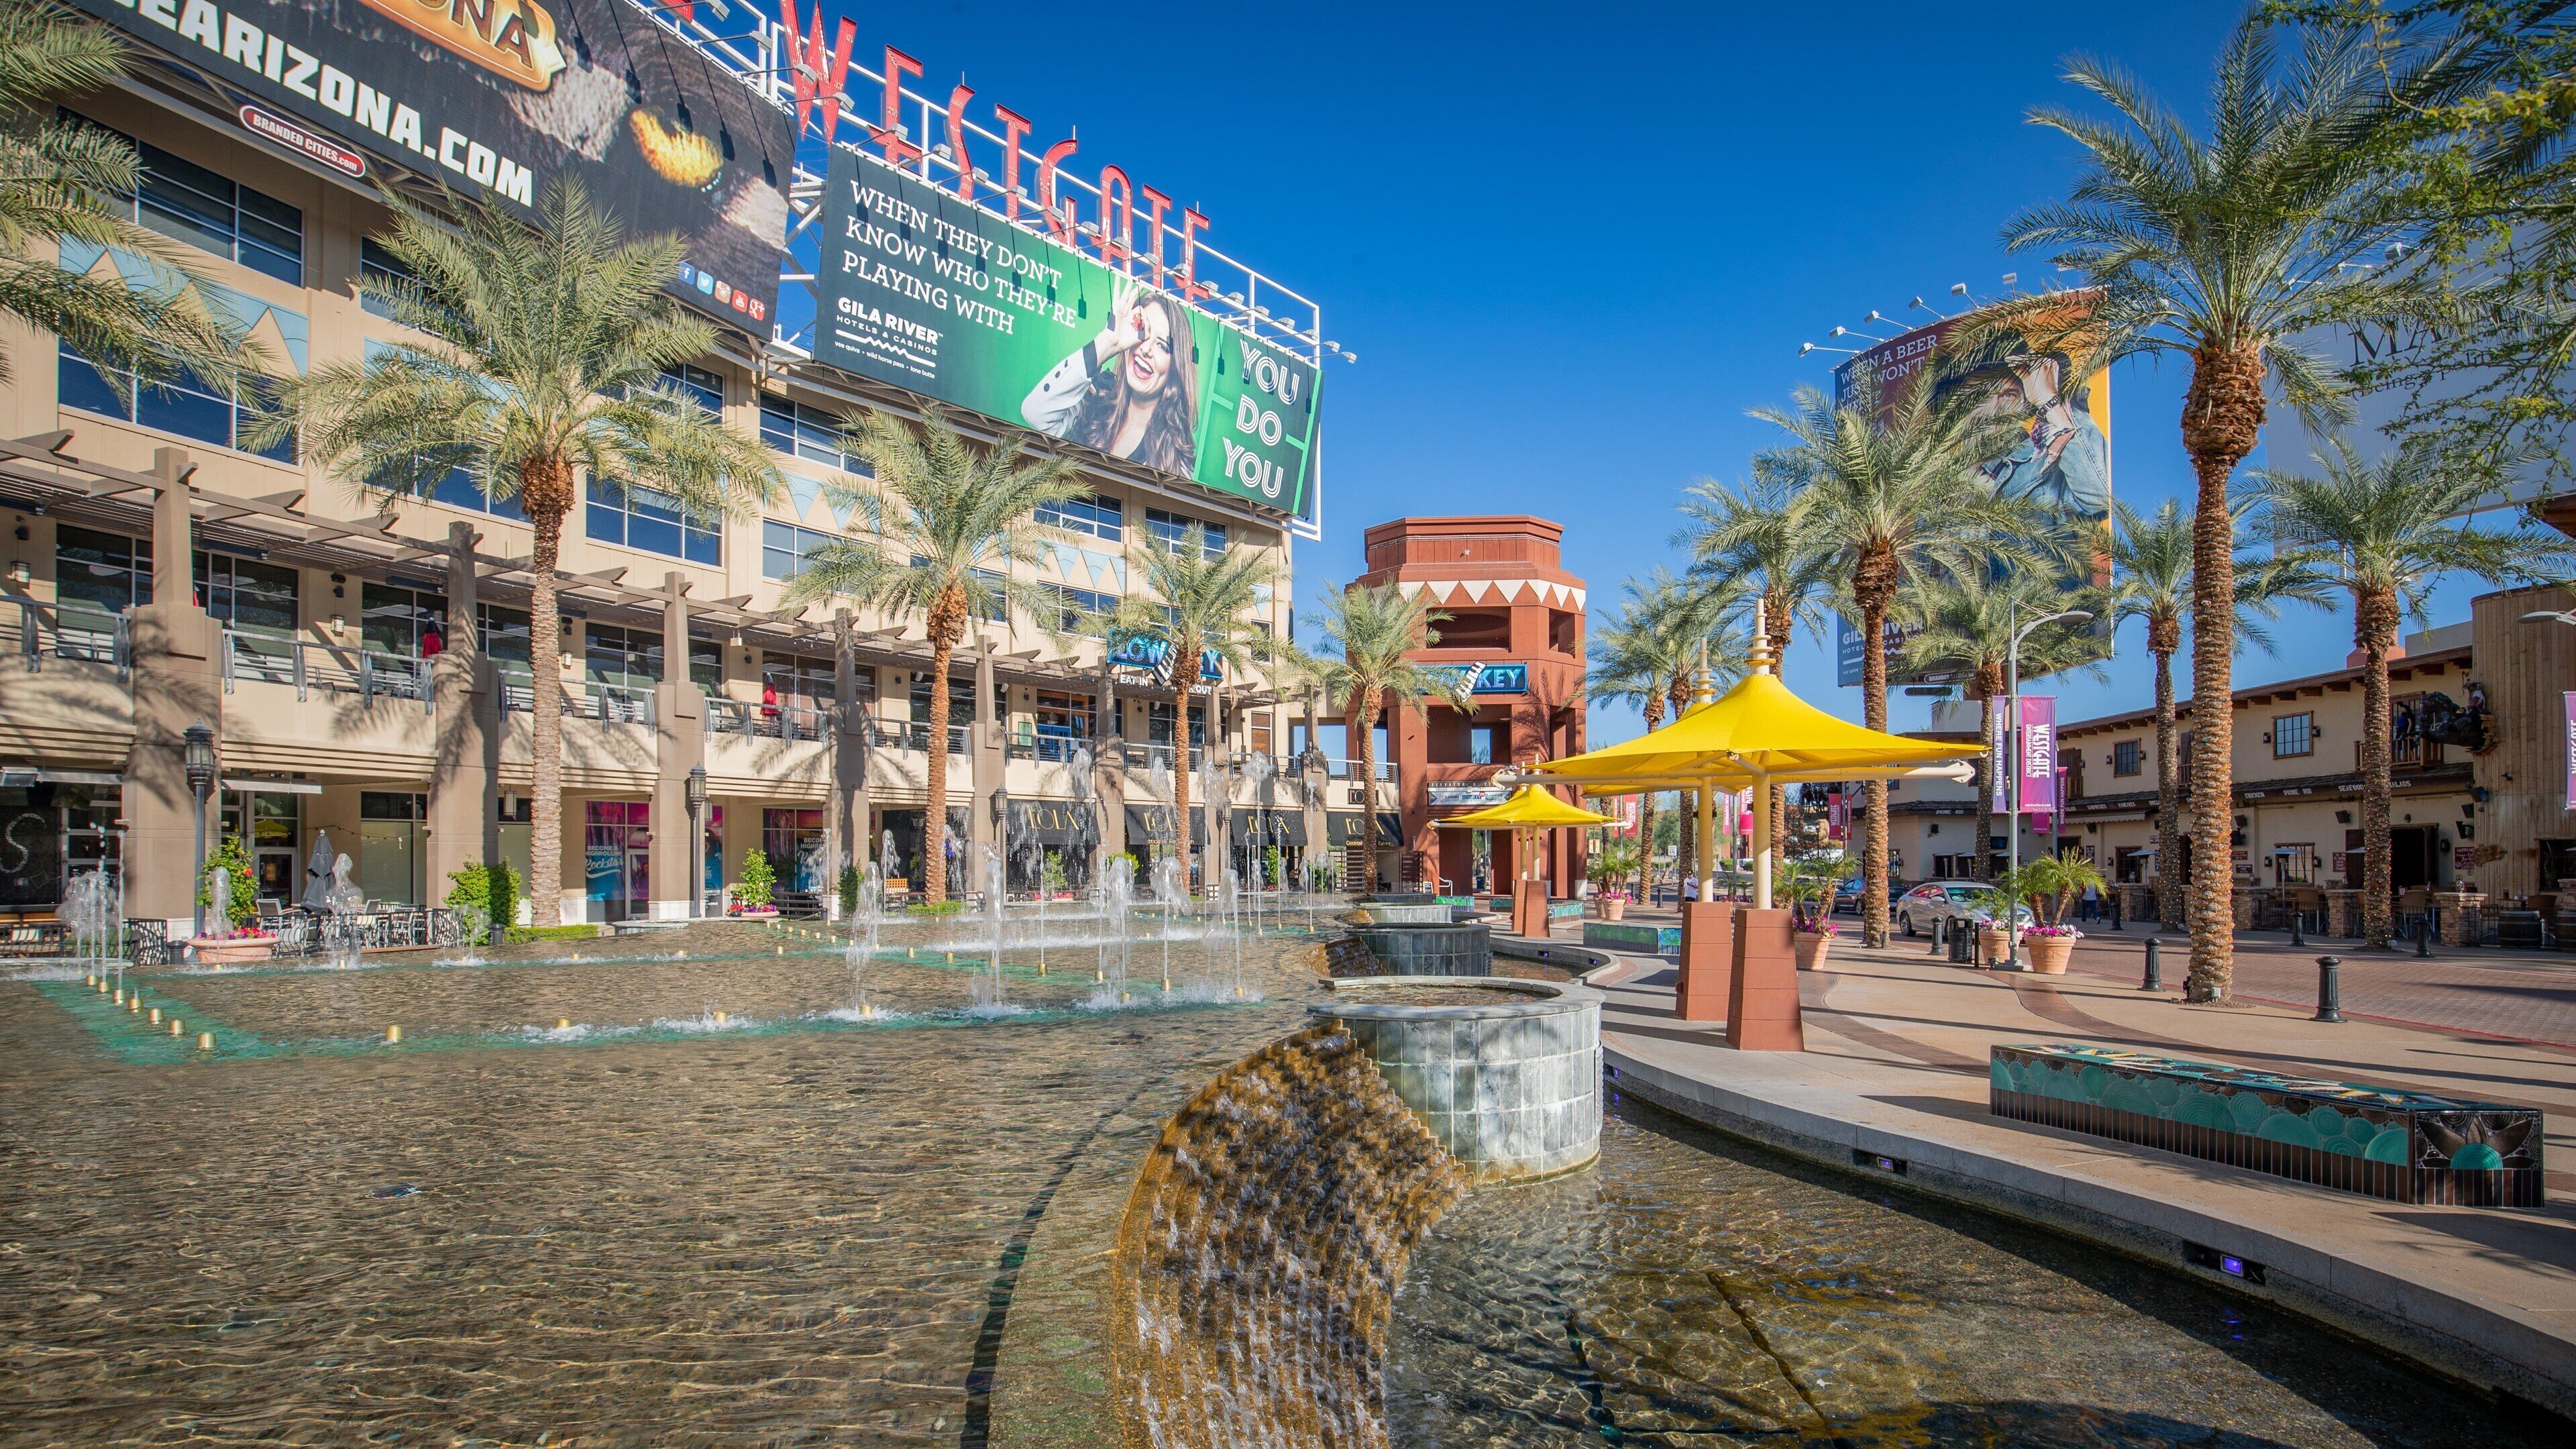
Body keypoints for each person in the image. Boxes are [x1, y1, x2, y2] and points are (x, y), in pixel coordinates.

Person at [1020, 277, 1200, 476]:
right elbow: (1036, 414)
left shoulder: (1175, 456)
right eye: (1143, 332)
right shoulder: (1095, 397)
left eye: (1162, 346)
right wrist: (1107, 343)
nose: (1146, 349)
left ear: (1176, 367)